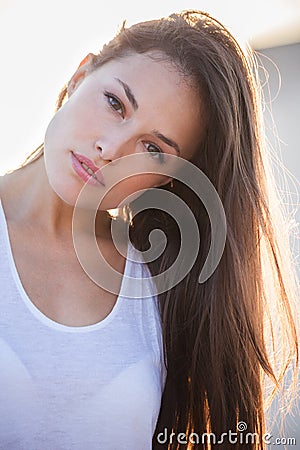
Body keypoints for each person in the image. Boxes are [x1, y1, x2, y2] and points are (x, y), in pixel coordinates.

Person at [0, 9, 298, 450]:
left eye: (153, 149)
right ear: (80, 76)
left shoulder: (168, 290)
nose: (110, 150)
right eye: (115, 103)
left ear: (169, 181)